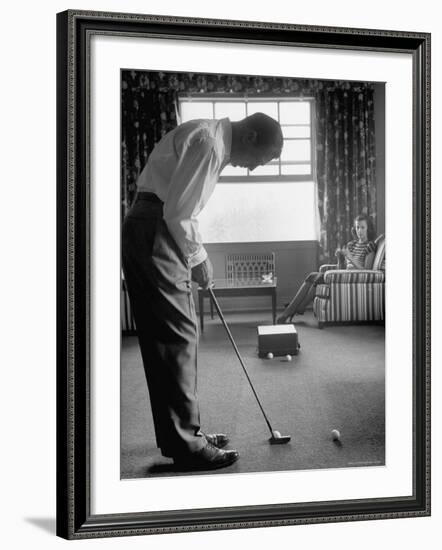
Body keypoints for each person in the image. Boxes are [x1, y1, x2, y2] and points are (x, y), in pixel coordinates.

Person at [122, 113, 283, 471]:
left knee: (169, 339)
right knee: (177, 337)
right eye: (263, 159)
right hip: (156, 229)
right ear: (252, 135)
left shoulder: (210, 136)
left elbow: (178, 207)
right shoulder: (211, 144)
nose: (255, 168)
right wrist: (200, 259)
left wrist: (193, 256)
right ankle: (187, 445)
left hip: (149, 226)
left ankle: (182, 436)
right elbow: (180, 213)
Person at [277, 214, 376, 324]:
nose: (359, 231)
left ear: (368, 229)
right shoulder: (352, 244)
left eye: (362, 227)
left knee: (317, 277)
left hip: (355, 278)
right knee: (313, 276)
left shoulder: (370, 246)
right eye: (357, 227)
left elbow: (368, 270)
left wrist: (351, 257)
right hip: (344, 276)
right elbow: (342, 268)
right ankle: (298, 308)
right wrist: (340, 258)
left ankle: (290, 310)